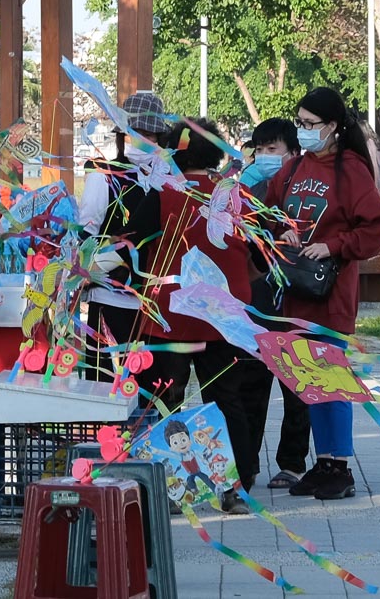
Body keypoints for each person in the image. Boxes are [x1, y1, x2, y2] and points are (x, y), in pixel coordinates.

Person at [117, 118, 255, 514]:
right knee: (227, 397)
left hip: (172, 314)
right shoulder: (236, 196)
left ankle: (168, 488)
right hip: (223, 312)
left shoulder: (163, 194)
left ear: (174, 152)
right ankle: (236, 485)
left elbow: (130, 243)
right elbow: (257, 251)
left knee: (165, 399)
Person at [265, 87, 380, 500]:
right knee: (310, 381)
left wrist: (333, 245)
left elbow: (375, 226)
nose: (302, 131)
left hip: (331, 293)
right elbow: (265, 212)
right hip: (295, 292)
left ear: (333, 127)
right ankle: (323, 463)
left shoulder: (350, 168)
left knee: (332, 378)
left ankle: (339, 466)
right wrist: (277, 229)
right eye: (299, 123)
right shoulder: (292, 169)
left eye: (310, 125)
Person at [234, 118, 311, 490]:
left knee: (295, 382)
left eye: (272, 150)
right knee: (251, 382)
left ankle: (293, 462)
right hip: (256, 296)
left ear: (293, 152)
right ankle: (246, 465)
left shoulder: (304, 188)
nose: (264, 157)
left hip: (295, 298)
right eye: (259, 150)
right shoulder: (244, 187)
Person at [78, 91, 170, 380]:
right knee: (105, 385)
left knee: (148, 387)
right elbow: (87, 236)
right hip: (110, 297)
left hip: (156, 304)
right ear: (123, 134)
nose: (144, 140)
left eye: (149, 134)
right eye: (136, 132)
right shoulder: (104, 175)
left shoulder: (172, 178)